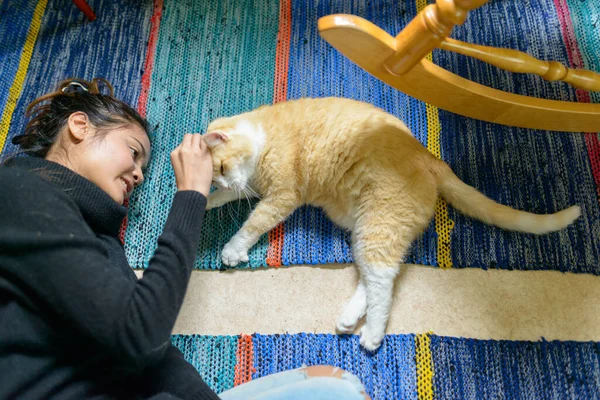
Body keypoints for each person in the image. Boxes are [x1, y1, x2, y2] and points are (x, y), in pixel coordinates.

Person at [0, 78, 371, 400]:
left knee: (338, 388)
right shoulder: (19, 191)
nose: (138, 174)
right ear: (79, 126)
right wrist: (192, 194)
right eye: (133, 152)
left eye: (142, 166)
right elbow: (141, 335)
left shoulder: (100, 240)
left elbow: (158, 359)